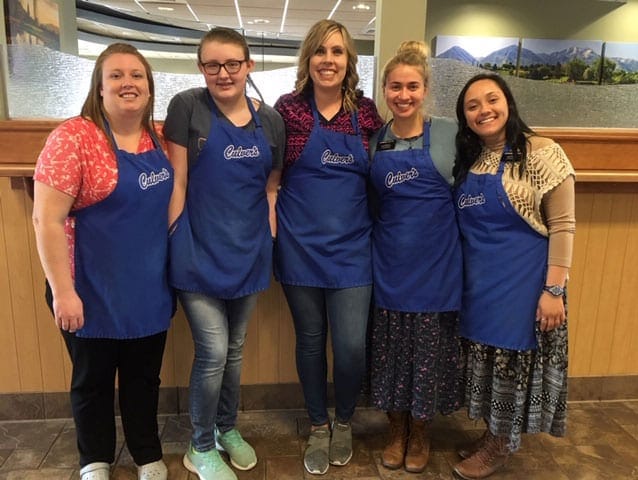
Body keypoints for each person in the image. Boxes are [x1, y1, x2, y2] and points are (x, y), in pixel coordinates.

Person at [32, 43, 172, 480]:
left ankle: (147, 453)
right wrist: (64, 292)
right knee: (92, 380)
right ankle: (94, 458)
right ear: (99, 87)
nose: (128, 83)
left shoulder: (159, 139)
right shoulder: (73, 138)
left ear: (149, 87)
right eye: (116, 75)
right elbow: (46, 219)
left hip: (148, 286)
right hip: (87, 287)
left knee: (143, 379)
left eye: (137, 75)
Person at [163, 27, 284, 480]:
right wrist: (174, 235)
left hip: (249, 252)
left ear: (249, 65)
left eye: (233, 63)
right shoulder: (187, 107)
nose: (223, 73)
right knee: (213, 351)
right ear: (201, 68)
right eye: (212, 64)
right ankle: (199, 446)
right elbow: (177, 179)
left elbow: (270, 188)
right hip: (197, 250)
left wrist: (268, 239)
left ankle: (226, 428)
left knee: (234, 350)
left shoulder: (271, 121)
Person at [273, 19, 383, 476]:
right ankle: (319, 424)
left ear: (348, 61)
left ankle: (345, 420)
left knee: (352, 346)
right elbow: (270, 176)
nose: (328, 60)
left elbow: (382, 177)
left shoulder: (367, 113)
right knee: (311, 341)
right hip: (298, 246)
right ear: (308, 58)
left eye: (337, 52)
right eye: (320, 51)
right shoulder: (287, 110)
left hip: (354, 249)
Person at [452, 73, 575, 480]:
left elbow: (563, 225)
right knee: (488, 362)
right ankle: (492, 433)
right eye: (472, 106)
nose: (484, 110)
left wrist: (554, 289)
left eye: (492, 100)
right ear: (465, 117)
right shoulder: (472, 158)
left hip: (524, 284)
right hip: (481, 283)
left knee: (512, 364)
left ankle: (501, 445)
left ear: (508, 102)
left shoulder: (543, 153)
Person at [368, 41, 462, 474]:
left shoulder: (449, 133)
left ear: (425, 90)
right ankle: (396, 431)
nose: (403, 95)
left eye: (412, 87)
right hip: (390, 263)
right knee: (391, 354)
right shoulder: (376, 141)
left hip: (438, 265)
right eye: (395, 87)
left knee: (427, 357)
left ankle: (421, 433)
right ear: (384, 90)